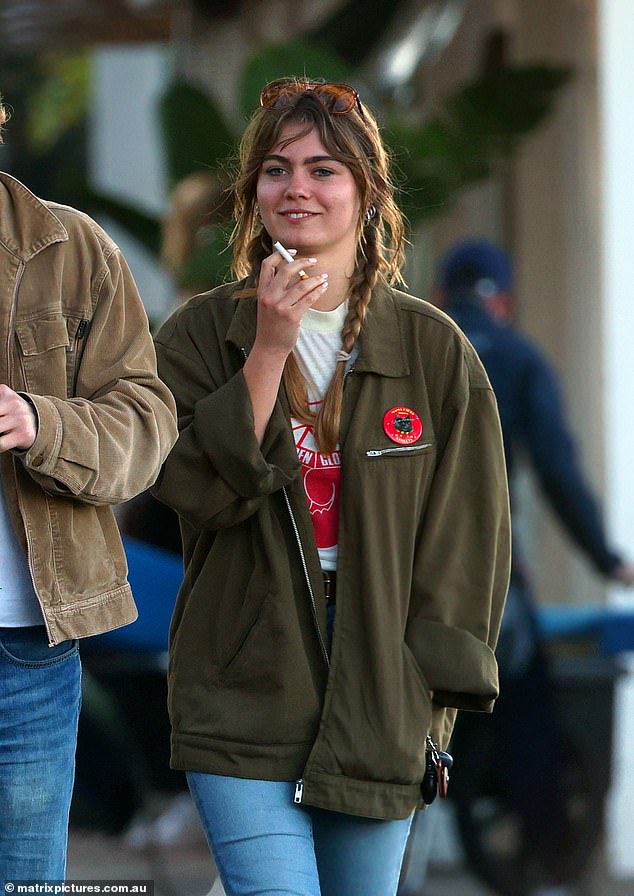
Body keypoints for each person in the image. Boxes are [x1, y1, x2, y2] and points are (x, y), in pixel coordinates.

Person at [151, 77, 511, 896]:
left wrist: (428, 699)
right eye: (276, 170)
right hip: (241, 696)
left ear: (367, 191)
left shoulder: (434, 351)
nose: (297, 189)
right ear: (252, 194)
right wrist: (269, 348)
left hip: (381, 702)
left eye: (323, 170)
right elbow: (200, 492)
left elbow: (469, 539)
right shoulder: (199, 336)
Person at [0, 97, 178, 883]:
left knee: (29, 877)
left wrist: (41, 424)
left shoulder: (71, 248)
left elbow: (146, 424)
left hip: (30, 641)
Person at [436, 237, 634, 889]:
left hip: (388, 574)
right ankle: (545, 859)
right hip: (485, 577)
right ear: (507, 302)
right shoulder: (519, 360)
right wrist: (608, 560)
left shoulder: (413, 347)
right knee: (526, 706)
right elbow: (557, 472)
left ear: (439, 297)